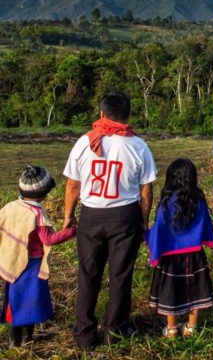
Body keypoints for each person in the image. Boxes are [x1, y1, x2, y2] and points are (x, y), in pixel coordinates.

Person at [63, 91, 157, 348]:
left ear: (101, 114)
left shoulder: (84, 142)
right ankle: (114, 331)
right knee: (120, 276)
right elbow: (146, 190)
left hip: (91, 216)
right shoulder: (138, 145)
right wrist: (144, 220)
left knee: (88, 275)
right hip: (125, 217)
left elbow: (73, 185)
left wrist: (68, 216)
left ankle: (84, 333)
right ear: (128, 115)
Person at [0, 166, 76, 347]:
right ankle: (26, 339)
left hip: (13, 261)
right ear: (44, 194)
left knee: (14, 300)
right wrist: (73, 231)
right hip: (31, 265)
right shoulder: (37, 214)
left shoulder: (10, 206)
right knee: (31, 302)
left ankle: (14, 342)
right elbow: (48, 240)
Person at [146, 159, 213, 338]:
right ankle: (191, 328)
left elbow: (159, 230)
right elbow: (206, 224)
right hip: (194, 255)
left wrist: (152, 249)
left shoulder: (166, 202)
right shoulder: (198, 200)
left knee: (170, 290)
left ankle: (171, 329)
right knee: (196, 291)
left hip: (170, 257)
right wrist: (209, 241)